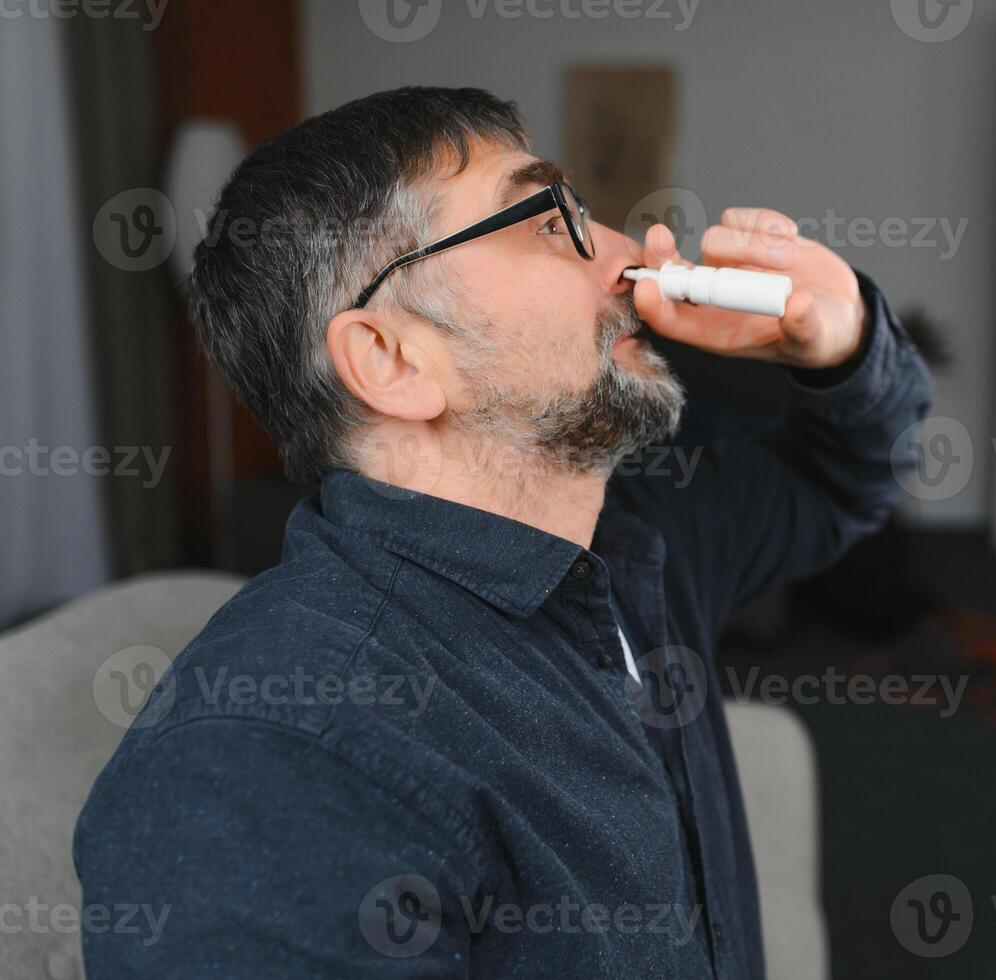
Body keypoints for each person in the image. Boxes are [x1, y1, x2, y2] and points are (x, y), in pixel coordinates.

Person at [73, 86, 933, 978]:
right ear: (391, 360)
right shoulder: (266, 766)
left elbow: (840, 481)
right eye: (545, 220)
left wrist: (845, 339)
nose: (633, 255)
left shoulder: (633, 535)